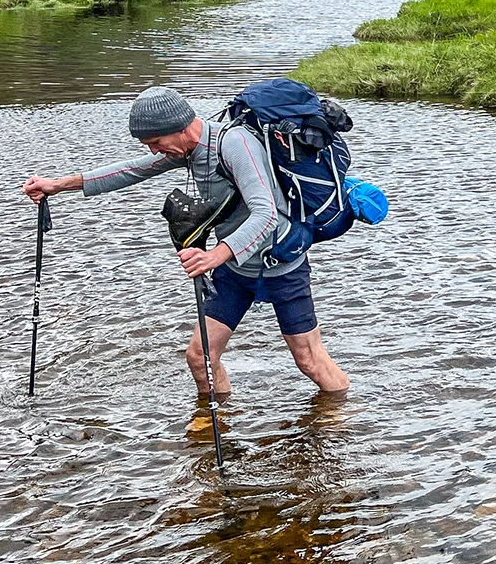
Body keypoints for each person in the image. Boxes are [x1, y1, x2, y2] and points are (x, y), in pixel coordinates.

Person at [21, 85, 351, 396]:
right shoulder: (189, 148)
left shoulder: (234, 144)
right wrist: (57, 185)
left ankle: (344, 423)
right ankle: (215, 423)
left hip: (280, 266)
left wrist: (213, 256)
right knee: (200, 357)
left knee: (309, 360)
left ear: (180, 128)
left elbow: (265, 216)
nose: (153, 150)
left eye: (155, 141)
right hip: (235, 271)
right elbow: (133, 170)